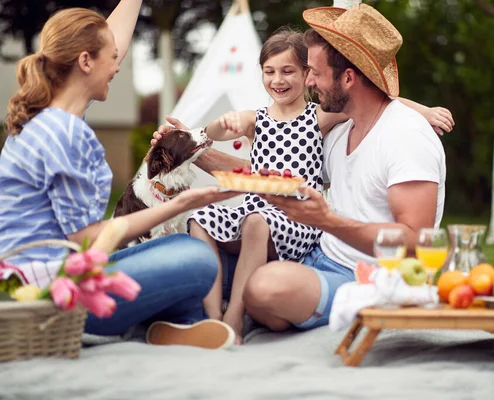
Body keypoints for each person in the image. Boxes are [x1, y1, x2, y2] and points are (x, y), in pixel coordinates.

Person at [156, 25, 452, 342]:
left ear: (348, 78)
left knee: (264, 287)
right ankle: (202, 325)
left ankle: (234, 324)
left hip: (363, 274)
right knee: (178, 266)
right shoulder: (341, 130)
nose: (309, 82)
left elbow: (417, 239)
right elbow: (270, 173)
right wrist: (192, 150)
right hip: (312, 253)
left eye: (313, 72)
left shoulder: (403, 136)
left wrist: (327, 221)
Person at [0, 5, 238, 349]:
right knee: (196, 258)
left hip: (59, 271)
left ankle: (175, 326)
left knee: (184, 247)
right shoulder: (65, 134)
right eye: (112, 59)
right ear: (84, 62)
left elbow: (108, 43)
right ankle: (179, 321)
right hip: (50, 296)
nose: (116, 67)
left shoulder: (47, 119)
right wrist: (182, 203)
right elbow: (90, 241)